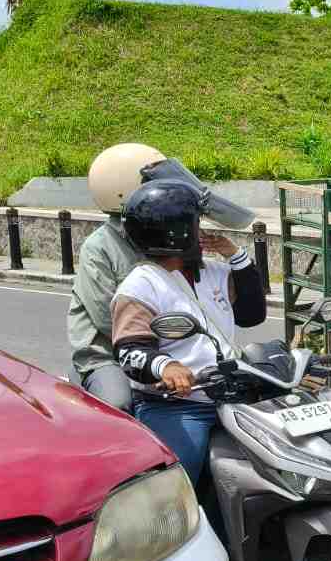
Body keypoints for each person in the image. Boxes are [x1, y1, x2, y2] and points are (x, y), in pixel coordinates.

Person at [109, 179, 266, 500]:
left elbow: (252, 313)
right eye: (196, 225)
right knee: (177, 479)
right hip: (178, 406)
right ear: (177, 233)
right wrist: (166, 367)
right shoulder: (141, 286)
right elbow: (128, 349)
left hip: (229, 396)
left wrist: (237, 256)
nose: (202, 231)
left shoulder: (213, 273)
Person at [69, 143, 256, 411]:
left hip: (175, 354)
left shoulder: (174, 240)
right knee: (121, 404)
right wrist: (159, 361)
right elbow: (105, 318)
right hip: (107, 353)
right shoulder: (99, 248)